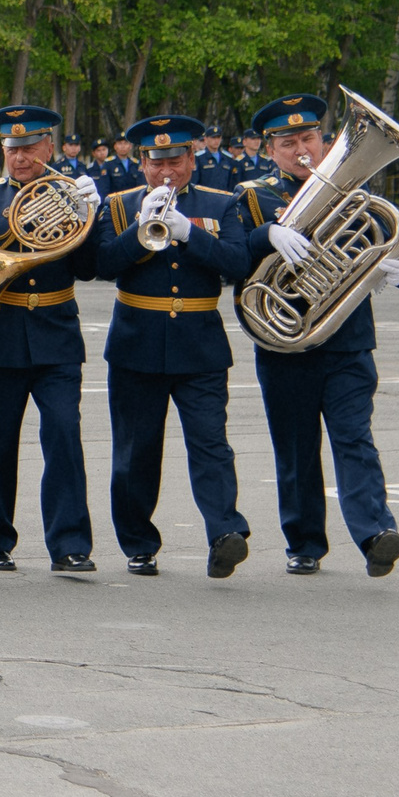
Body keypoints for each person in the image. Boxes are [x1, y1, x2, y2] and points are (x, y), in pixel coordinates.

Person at [239, 94, 399, 577]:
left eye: (310, 138)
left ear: (326, 139)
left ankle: (376, 532)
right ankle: (304, 542)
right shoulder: (255, 196)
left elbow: (389, 239)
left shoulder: (354, 191)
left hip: (347, 341)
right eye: (289, 142)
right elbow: (233, 256)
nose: (302, 150)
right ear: (269, 150)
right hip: (285, 344)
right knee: (295, 447)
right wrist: (264, 237)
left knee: (355, 438)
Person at [90, 114, 252, 579]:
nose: (167, 171)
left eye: (177, 160)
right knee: (137, 452)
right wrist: (141, 229)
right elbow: (102, 264)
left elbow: (239, 262)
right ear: (142, 162)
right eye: (157, 161)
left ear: (192, 158)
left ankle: (226, 532)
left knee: (211, 443)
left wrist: (188, 232)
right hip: (137, 342)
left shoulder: (222, 203)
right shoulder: (118, 205)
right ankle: (139, 543)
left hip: (199, 344)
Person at [0, 105, 102, 573]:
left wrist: (90, 214)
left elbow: (90, 267)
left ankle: (71, 544)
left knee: (63, 436)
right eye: (13, 149)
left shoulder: (70, 194)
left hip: (56, 332)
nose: (21, 159)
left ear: (49, 148)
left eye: (31, 148)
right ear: (2, 149)